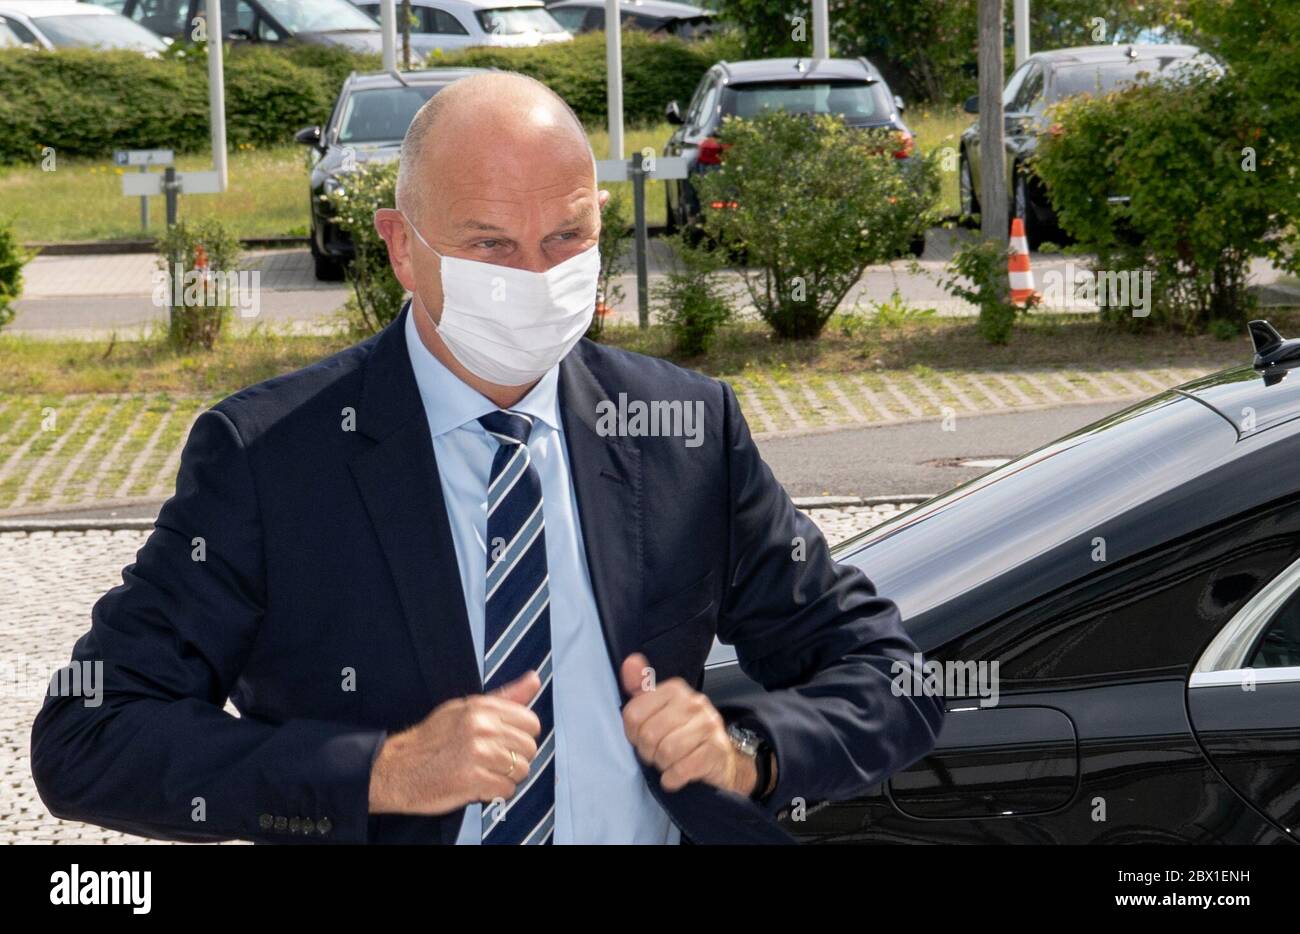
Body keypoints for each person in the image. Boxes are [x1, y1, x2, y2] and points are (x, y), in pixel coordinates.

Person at [31, 71, 943, 844]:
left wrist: (751, 752)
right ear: (401, 248)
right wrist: (378, 771)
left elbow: (892, 673)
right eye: (490, 246)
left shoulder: (681, 428)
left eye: (568, 238)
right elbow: (88, 734)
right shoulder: (272, 458)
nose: (538, 277)